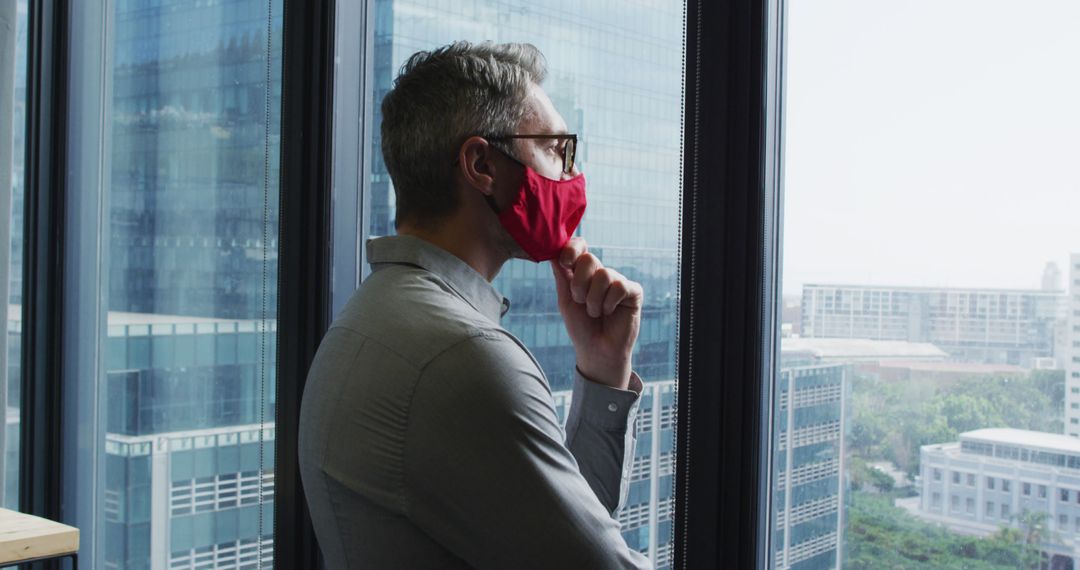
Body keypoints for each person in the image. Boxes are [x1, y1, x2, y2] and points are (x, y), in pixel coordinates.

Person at [298, 41, 652, 569]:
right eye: (557, 149)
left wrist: (603, 369)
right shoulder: (464, 356)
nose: (571, 177)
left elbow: (562, 534)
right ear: (482, 163)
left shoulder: (370, 315)